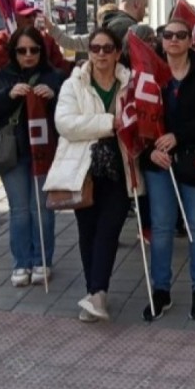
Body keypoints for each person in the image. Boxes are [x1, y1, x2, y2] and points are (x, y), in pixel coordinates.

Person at [140, 18, 195, 322]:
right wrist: (150, 152)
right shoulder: (150, 73)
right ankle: (160, 291)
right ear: (161, 40)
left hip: (194, 159)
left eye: (181, 35)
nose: (174, 39)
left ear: (190, 40)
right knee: (161, 227)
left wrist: (179, 136)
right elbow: (139, 118)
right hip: (159, 161)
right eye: (168, 35)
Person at [52, 25, 134, 322]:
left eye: (107, 48)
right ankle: (94, 293)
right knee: (87, 231)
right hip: (83, 168)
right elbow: (65, 123)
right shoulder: (73, 84)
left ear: (117, 53)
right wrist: (109, 123)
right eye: (95, 48)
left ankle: (97, 293)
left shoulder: (130, 83)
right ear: (88, 52)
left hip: (120, 167)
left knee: (108, 230)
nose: (101, 54)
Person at [0, 27, 64, 288]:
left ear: (41, 51)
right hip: (13, 153)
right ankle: (21, 263)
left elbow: (69, 112)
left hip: (44, 152)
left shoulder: (55, 76)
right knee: (20, 210)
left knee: (42, 210)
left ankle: (42, 261)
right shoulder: (0, 76)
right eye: (22, 50)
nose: (28, 55)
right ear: (13, 52)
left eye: (34, 50)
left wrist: (54, 96)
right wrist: (8, 94)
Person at [0, 3, 72, 74]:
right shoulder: (0, 39)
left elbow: (60, 66)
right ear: (14, 18)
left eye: (33, 15)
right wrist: (9, 44)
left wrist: (75, 67)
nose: (32, 19)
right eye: (27, 16)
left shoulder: (45, 38)